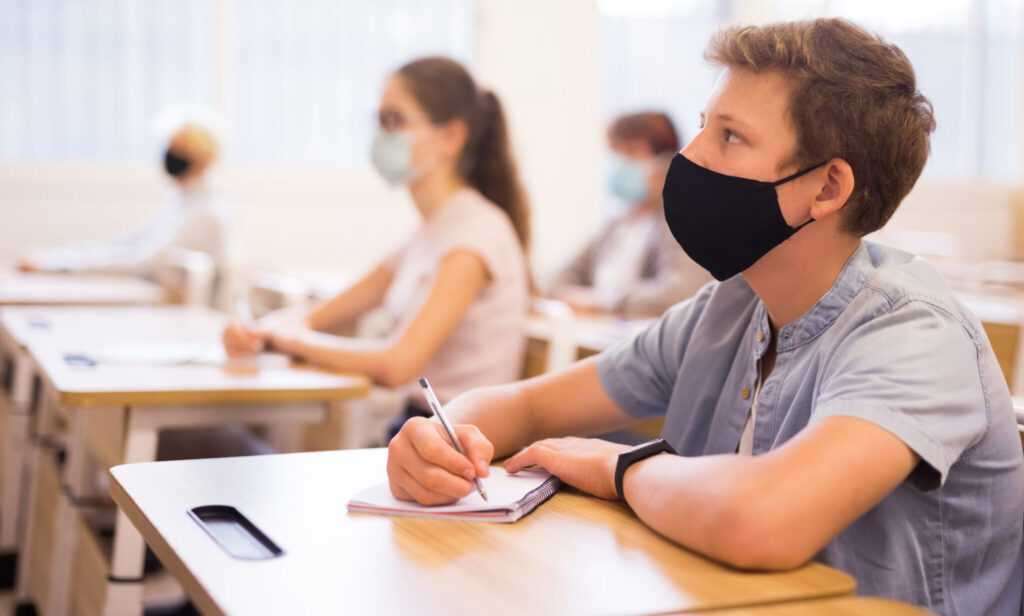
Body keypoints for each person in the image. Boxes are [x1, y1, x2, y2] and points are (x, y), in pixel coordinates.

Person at [386, 19, 1024, 614]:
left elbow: (762, 521)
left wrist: (619, 469)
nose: (688, 157)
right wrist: (445, 436)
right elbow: (527, 409)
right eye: (701, 126)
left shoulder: (914, 335)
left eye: (730, 136)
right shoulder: (729, 307)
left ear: (827, 188)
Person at [223, 57, 531, 417]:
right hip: (422, 426)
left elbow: (396, 365)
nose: (382, 135)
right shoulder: (430, 231)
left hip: (456, 441)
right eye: (380, 120)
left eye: (395, 120)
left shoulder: (474, 234)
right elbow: (320, 313)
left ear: (450, 137)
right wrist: (260, 331)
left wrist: (298, 341)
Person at [19, 120, 239, 307]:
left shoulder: (207, 212)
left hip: (195, 322)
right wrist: (55, 258)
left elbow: (141, 263)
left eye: (179, 150)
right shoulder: (182, 201)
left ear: (202, 160)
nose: (171, 156)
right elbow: (128, 244)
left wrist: (54, 265)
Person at [547, 112, 709, 315]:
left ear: (666, 160)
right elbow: (560, 278)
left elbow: (682, 293)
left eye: (631, 152)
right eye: (617, 152)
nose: (621, 163)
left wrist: (606, 301)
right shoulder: (619, 223)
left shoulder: (685, 220)